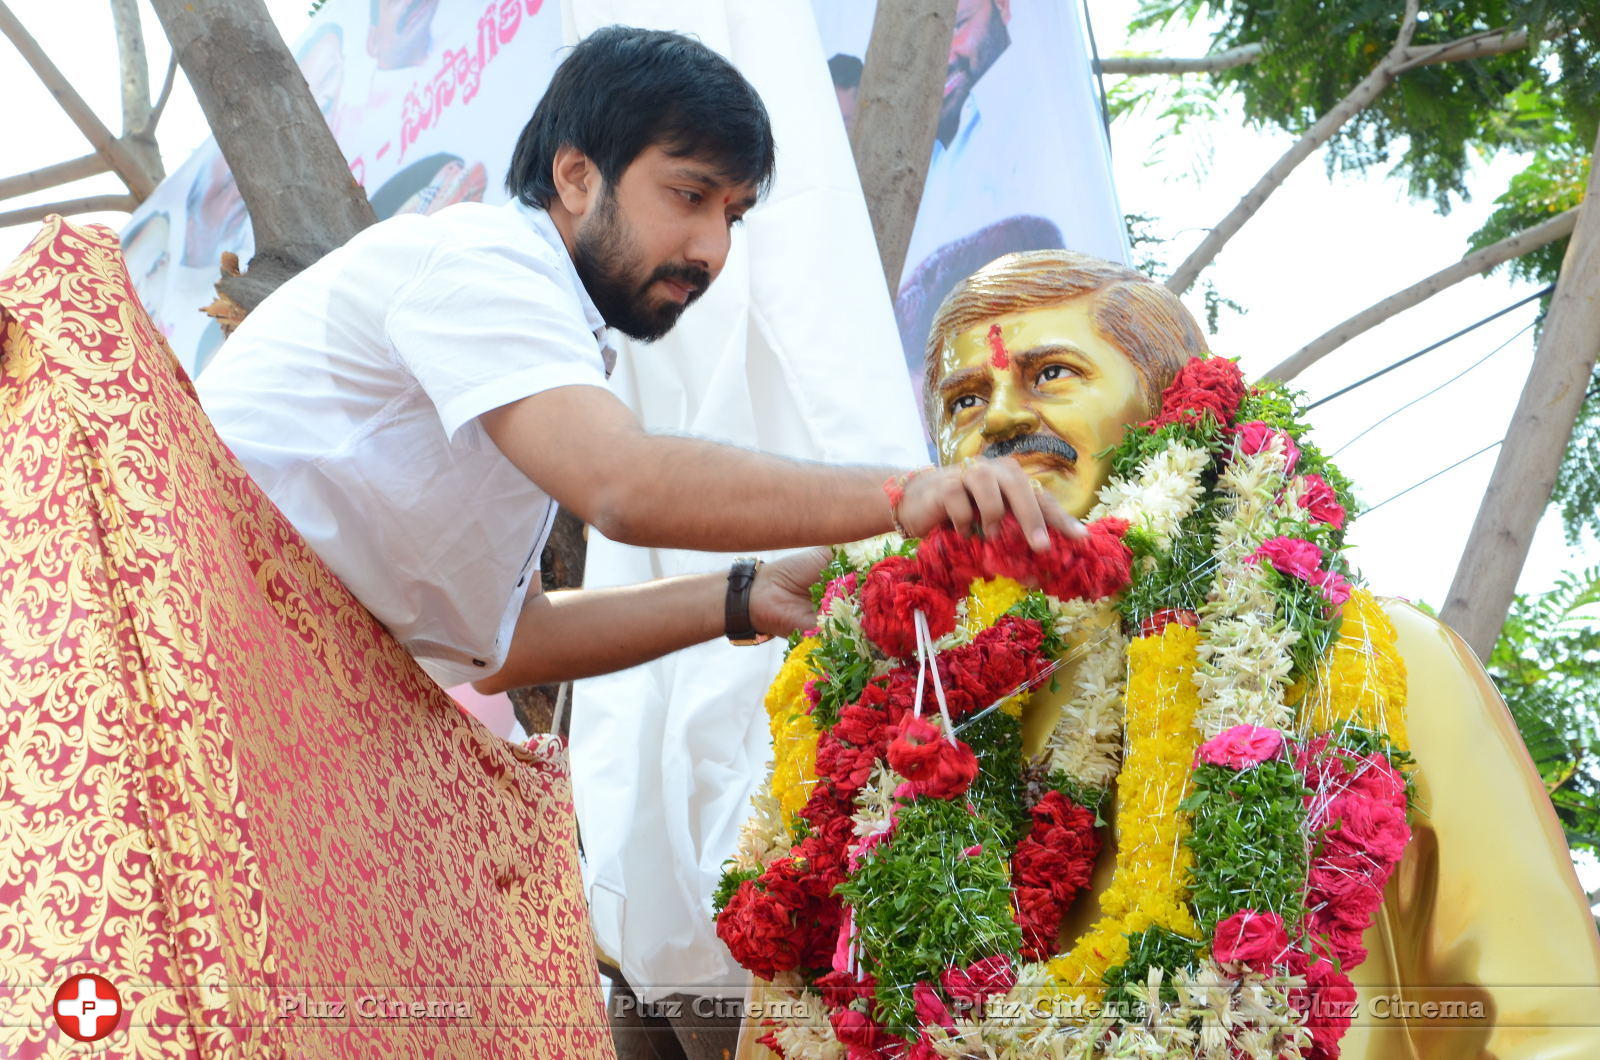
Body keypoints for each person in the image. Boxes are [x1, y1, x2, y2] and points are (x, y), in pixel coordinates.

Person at [733, 250, 1600, 1058]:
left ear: (1173, 406)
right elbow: (790, 1016)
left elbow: (1546, 1017)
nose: (998, 417)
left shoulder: (1370, 664)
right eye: (963, 400)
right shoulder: (889, 717)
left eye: (1050, 374)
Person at [196, 26, 1072, 703]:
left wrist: (748, 595)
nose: (712, 249)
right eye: (689, 196)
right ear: (576, 176)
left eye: (734, 214)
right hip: (179, 634)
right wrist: (901, 494)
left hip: (254, 664)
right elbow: (624, 486)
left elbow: (505, 646)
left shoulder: (549, 330)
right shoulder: (479, 264)